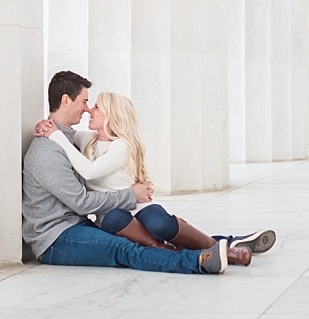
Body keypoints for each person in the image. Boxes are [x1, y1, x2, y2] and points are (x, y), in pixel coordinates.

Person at [34, 89, 276, 266]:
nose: (89, 110)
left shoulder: (121, 146)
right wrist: (47, 127)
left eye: (96, 106)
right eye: (89, 103)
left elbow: (88, 170)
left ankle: (221, 247)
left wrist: (55, 136)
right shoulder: (85, 140)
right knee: (116, 221)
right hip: (113, 212)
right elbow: (66, 134)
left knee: (160, 225)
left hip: (137, 206)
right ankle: (217, 249)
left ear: (111, 115)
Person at [23, 71, 225, 275]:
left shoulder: (68, 139)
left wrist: (50, 127)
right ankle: (199, 261)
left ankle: (223, 247)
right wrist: (131, 195)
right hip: (55, 239)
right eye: (84, 101)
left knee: (144, 234)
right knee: (126, 249)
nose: (87, 109)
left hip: (77, 226)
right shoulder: (47, 151)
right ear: (66, 100)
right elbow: (81, 202)